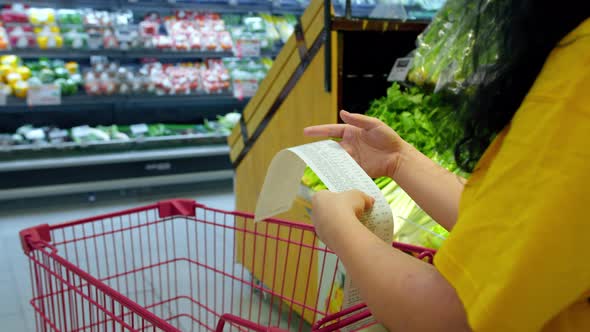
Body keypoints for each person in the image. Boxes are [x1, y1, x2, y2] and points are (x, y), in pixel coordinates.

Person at [303, 1, 590, 331]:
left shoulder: (581, 72)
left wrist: (339, 226)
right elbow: (514, 226)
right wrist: (398, 160)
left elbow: (451, 314)